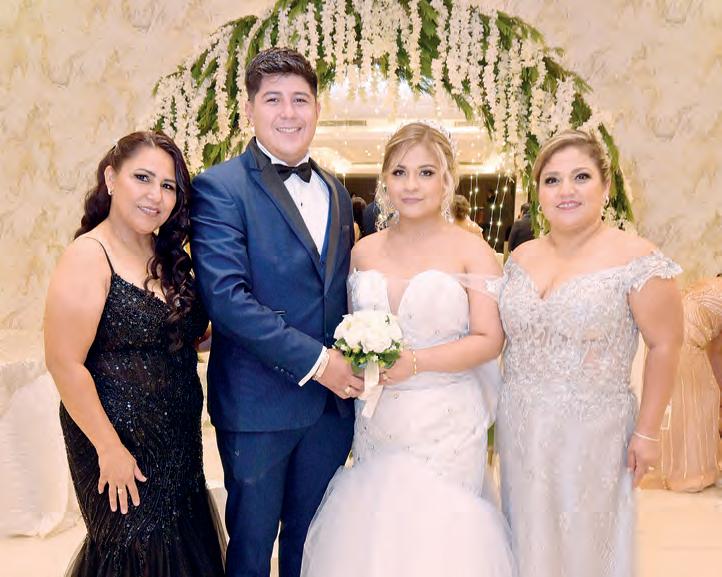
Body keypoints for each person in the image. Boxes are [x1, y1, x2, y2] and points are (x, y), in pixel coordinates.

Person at [301, 122, 516, 577]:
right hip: (379, 418)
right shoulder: (363, 252)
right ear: (385, 180)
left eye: (425, 172)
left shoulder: (472, 250)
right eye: (399, 172)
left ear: (446, 180)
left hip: (446, 419)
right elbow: (346, 326)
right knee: (379, 533)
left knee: (441, 539)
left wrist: (415, 363)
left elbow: (489, 339)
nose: (411, 185)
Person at [189, 47, 360, 577]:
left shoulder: (336, 189)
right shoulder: (219, 187)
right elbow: (227, 300)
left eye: (300, 100)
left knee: (310, 548)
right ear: (250, 110)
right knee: (251, 549)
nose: (289, 112)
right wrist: (320, 363)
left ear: (317, 109)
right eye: (273, 100)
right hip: (257, 408)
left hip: (330, 413)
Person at [496, 129, 683, 577]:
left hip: (593, 431)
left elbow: (665, 344)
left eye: (580, 177)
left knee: (586, 546)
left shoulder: (638, 258)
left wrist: (648, 432)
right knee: (526, 538)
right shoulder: (521, 257)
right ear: (538, 191)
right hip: (521, 426)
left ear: (606, 185)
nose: (566, 190)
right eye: (552, 180)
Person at [44, 131, 225, 577]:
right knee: (134, 556)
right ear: (110, 178)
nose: (155, 195)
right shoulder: (89, 255)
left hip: (178, 445)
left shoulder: (167, 256)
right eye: (142, 178)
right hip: (116, 445)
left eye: (168, 186)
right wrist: (109, 448)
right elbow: (64, 363)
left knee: (183, 551)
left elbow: (177, 337)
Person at [660, 275, 722, 491]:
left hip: (663, 338)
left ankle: (679, 472)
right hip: (685, 342)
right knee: (698, 403)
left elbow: (716, 351)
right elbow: (717, 353)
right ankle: (692, 475)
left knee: (684, 404)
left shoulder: (709, 284)